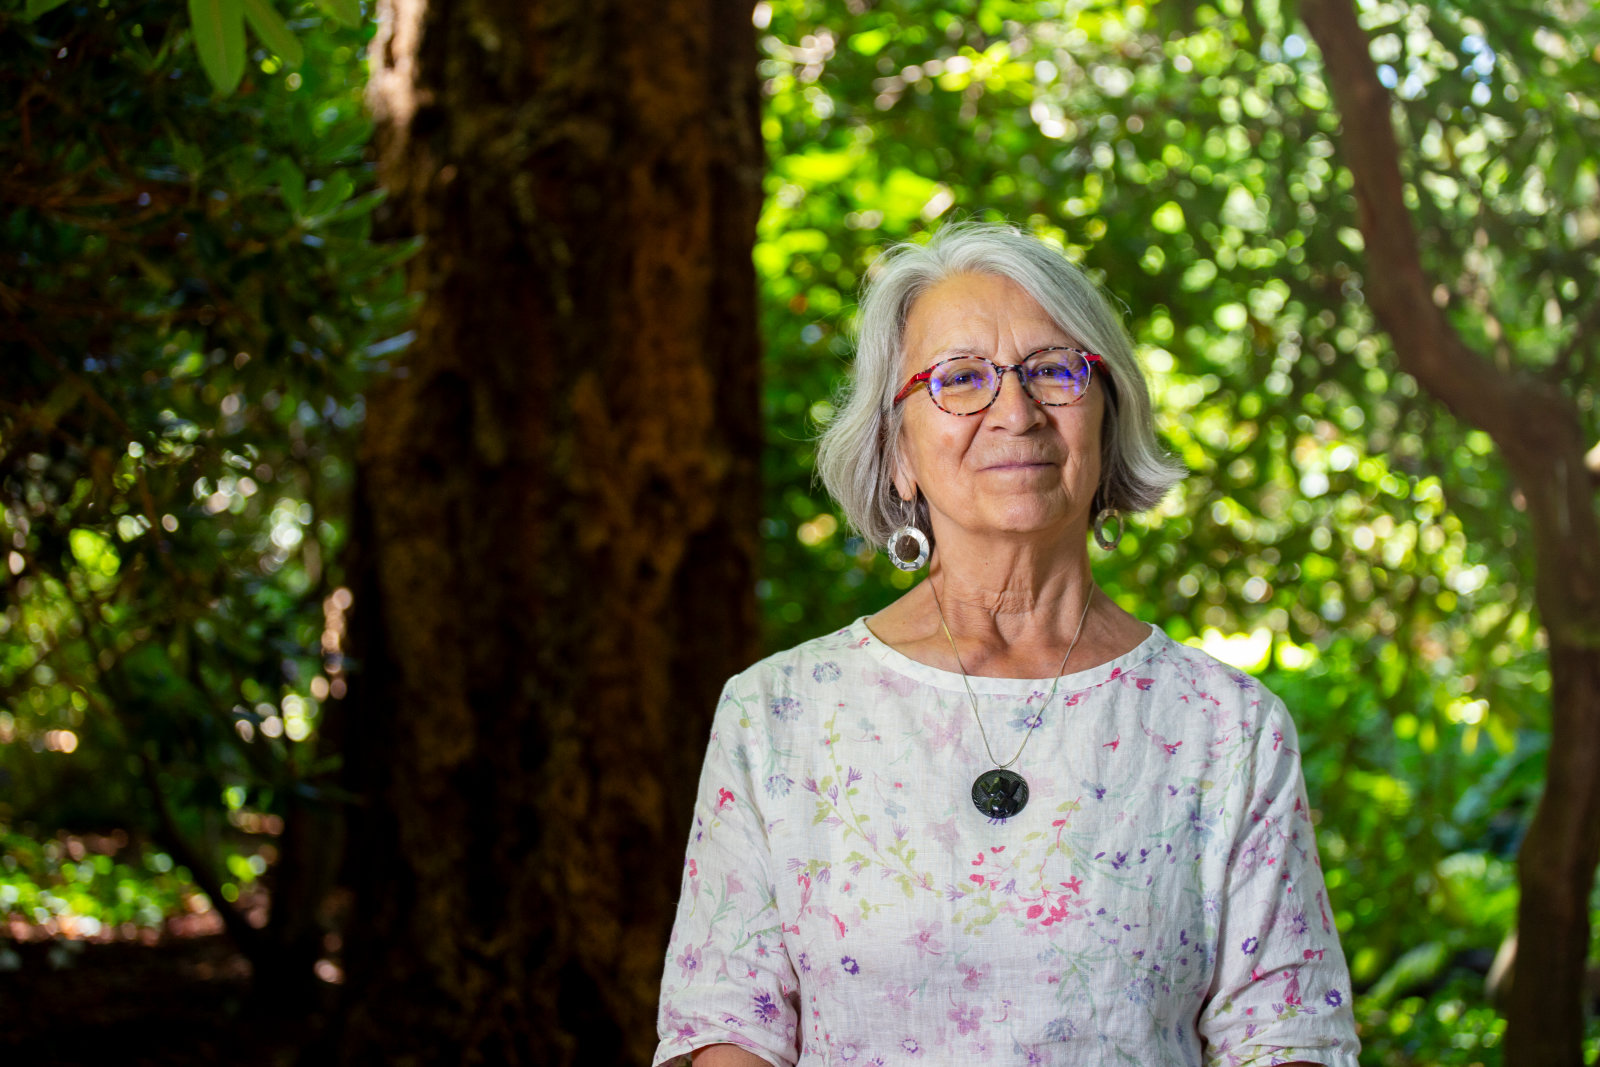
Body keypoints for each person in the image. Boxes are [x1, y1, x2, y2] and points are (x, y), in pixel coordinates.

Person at [653, 222, 1360, 1066]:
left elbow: (1286, 1039)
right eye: (960, 379)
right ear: (899, 450)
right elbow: (727, 1028)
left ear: (1107, 415)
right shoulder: (778, 715)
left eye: (1054, 371)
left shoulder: (1226, 727)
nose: (1014, 411)